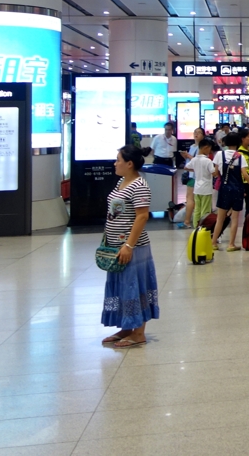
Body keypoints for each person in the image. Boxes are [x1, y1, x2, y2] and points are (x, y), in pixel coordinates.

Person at [100, 145, 158, 349]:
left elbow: (142, 216)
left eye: (118, 160)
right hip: (116, 245)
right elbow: (116, 213)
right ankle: (126, 327)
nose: (115, 163)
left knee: (135, 285)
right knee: (121, 285)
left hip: (133, 246)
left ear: (129, 164)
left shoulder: (139, 185)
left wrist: (128, 245)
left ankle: (138, 332)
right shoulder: (121, 182)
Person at [210, 133, 249, 252]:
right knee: (235, 218)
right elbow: (244, 174)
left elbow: (216, 173)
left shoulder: (219, 154)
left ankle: (213, 243)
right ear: (238, 142)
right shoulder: (240, 156)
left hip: (224, 189)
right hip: (237, 189)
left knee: (220, 218)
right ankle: (231, 244)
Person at [185, 138, 216, 230]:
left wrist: (196, 170)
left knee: (197, 209)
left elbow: (186, 167)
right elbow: (214, 173)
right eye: (209, 149)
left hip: (197, 188)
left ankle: (196, 227)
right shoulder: (208, 161)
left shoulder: (194, 160)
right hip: (206, 189)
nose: (210, 151)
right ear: (205, 148)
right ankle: (203, 228)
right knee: (205, 210)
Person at [179, 126, 206, 229]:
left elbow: (199, 161)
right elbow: (191, 161)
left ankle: (187, 221)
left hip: (196, 176)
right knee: (192, 198)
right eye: (195, 132)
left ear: (203, 136)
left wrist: (189, 156)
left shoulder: (202, 148)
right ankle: (194, 220)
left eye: (199, 132)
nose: (196, 134)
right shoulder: (192, 146)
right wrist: (185, 156)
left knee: (190, 199)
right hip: (191, 174)